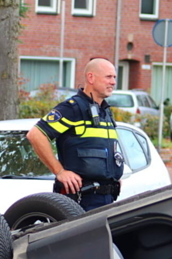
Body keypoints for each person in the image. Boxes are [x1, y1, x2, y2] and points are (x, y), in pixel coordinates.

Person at [26, 58, 124, 210]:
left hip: (105, 198)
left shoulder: (105, 111)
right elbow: (36, 134)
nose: (113, 82)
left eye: (114, 77)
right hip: (80, 199)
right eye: (108, 77)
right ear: (91, 77)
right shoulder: (73, 108)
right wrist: (60, 171)